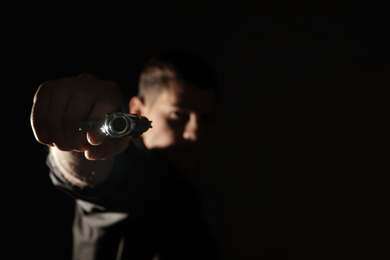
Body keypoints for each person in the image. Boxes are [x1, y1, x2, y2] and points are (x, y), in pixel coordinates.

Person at [30, 52, 220, 260]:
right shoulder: (138, 176)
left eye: (205, 118)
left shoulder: (186, 200)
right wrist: (74, 139)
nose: (195, 133)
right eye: (178, 115)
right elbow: (101, 179)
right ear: (138, 110)